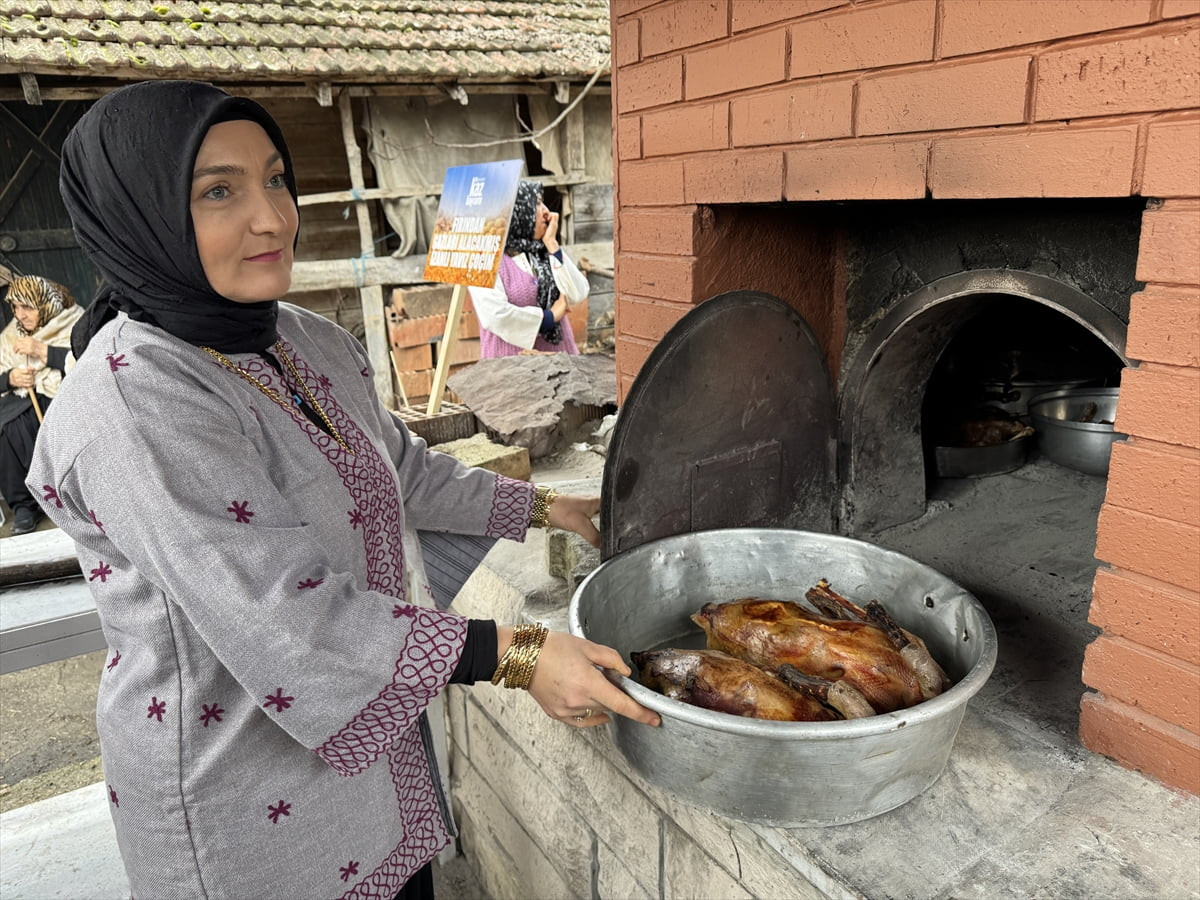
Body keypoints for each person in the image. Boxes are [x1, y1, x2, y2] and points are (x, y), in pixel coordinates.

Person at [30, 80, 658, 900]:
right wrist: (519, 655)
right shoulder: (132, 401)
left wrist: (551, 508)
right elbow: (282, 614)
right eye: (218, 191)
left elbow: (402, 470)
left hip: (372, 765)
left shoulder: (306, 339)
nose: (272, 217)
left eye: (276, 178)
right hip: (244, 803)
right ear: (138, 214)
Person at [469, 180, 589, 357]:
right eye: (537, 203)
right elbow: (495, 315)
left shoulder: (544, 250)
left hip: (560, 362)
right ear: (516, 211)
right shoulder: (483, 259)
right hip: (511, 367)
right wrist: (548, 318)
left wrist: (552, 243)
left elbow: (577, 293)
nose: (546, 211)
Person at [1, 274, 82, 534]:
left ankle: (74, 496)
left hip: (66, 393)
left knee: (63, 422)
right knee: (6, 426)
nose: (20, 315)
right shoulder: (11, 334)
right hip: (24, 397)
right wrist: (10, 378)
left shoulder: (74, 322)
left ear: (45, 304)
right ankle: (23, 505)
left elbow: (86, 361)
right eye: (15, 307)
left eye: (27, 307)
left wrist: (42, 351)